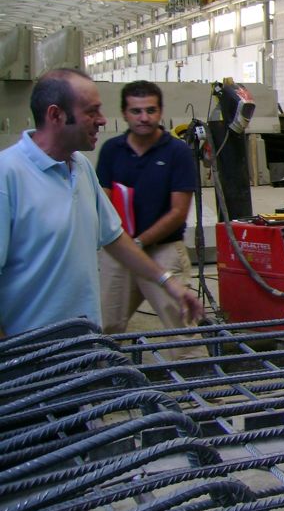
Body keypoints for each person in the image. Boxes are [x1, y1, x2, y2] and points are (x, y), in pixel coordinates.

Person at [0, 69, 202, 339]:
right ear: (55, 115)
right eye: (91, 112)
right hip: (32, 353)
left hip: (82, 343)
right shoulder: (7, 175)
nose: (102, 120)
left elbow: (115, 237)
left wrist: (169, 284)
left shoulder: (81, 167)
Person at [97, 81, 199, 334]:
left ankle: (195, 372)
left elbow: (178, 213)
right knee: (103, 329)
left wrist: (139, 243)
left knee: (182, 330)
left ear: (160, 111)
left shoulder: (178, 152)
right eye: (136, 111)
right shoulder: (112, 151)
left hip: (163, 251)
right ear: (124, 113)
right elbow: (103, 201)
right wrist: (122, 244)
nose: (144, 118)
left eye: (151, 110)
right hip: (118, 252)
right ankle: (104, 372)